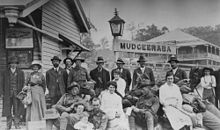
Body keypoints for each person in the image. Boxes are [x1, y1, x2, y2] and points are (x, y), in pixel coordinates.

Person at [2, 57, 25, 129]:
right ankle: (8, 125)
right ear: (10, 64)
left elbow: (23, 83)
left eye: (15, 63)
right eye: (12, 63)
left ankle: (17, 124)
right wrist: (2, 93)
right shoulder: (5, 72)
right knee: (7, 110)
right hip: (7, 94)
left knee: (17, 109)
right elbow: (1, 83)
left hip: (17, 94)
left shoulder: (21, 72)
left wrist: (22, 93)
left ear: (17, 64)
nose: (13, 65)